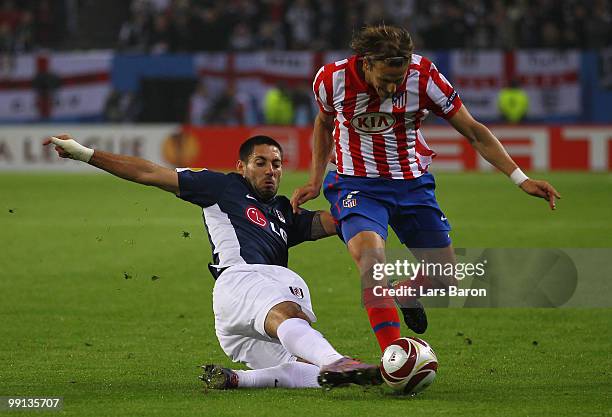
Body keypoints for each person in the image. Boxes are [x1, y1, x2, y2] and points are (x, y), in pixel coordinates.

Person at [291, 24, 561, 352]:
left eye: (398, 79)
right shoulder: (331, 80)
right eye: (385, 79)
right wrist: (315, 179)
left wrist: (521, 178)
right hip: (356, 184)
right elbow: (324, 122)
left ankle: (405, 293)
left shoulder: (425, 77)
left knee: (445, 277)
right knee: (372, 265)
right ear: (365, 63)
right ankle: (395, 356)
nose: (392, 88)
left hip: (412, 185)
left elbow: (474, 132)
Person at [43, 134, 381, 390]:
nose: (270, 171)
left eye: (276, 164)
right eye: (260, 162)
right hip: (240, 281)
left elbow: (343, 221)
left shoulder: (282, 212)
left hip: (243, 314)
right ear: (241, 167)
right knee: (292, 318)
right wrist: (85, 154)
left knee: (304, 367)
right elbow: (149, 172)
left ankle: (239, 380)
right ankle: (337, 360)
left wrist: (367, 199)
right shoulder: (221, 187)